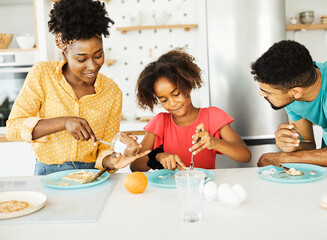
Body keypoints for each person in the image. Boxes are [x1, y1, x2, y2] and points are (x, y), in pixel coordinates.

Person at [6, 0, 149, 175]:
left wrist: (112, 161)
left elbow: (103, 150)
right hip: (47, 174)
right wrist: (64, 122)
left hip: (91, 176)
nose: (92, 66)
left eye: (98, 55)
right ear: (64, 53)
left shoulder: (111, 92)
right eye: (81, 59)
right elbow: (13, 128)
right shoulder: (43, 74)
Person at [130, 49, 251, 172]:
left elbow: (245, 155)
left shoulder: (213, 116)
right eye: (164, 100)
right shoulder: (160, 122)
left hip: (203, 187)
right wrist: (157, 157)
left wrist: (215, 143)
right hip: (169, 189)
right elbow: (135, 166)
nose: (172, 103)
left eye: (176, 94)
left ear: (188, 86)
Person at [251, 40, 327, 167]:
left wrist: (284, 158)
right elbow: (309, 146)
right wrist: (291, 144)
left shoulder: (293, 91)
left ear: (296, 92)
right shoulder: (293, 96)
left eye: (267, 92)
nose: (261, 94)